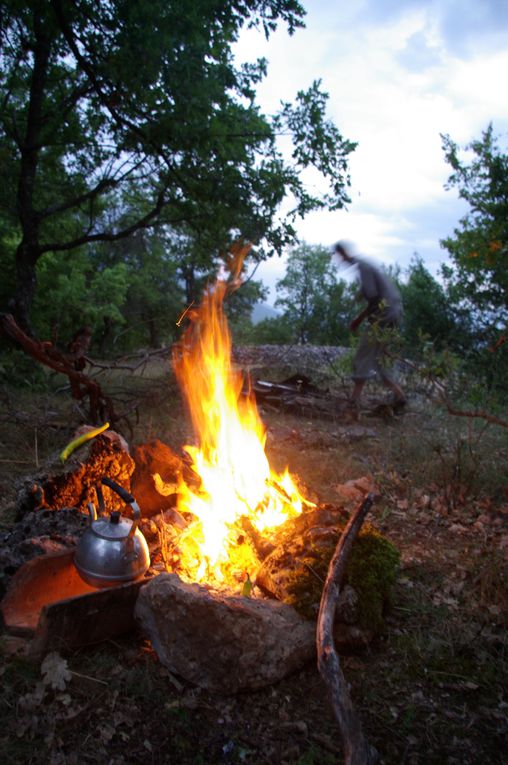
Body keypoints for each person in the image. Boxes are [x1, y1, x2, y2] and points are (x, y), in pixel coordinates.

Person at [334, 241, 406, 411]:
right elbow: (370, 291)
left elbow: (373, 297)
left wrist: (358, 319)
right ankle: (399, 396)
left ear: (342, 253)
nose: (339, 260)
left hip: (385, 314)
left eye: (338, 256)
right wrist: (358, 297)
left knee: (364, 353)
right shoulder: (364, 265)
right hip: (394, 313)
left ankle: (354, 403)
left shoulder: (363, 267)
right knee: (381, 358)